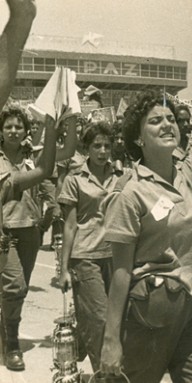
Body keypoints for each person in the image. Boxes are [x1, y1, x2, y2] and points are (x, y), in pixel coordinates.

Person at [100, 53, 192, 382]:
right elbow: (120, 271)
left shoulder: (187, 171)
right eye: (155, 121)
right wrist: (110, 340)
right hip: (151, 310)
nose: (167, 125)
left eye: (170, 119)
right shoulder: (130, 193)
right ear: (137, 137)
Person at [0, 106, 74, 371]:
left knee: (16, 291)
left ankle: (5, 325)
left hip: (30, 231)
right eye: (8, 126)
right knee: (15, 287)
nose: (13, 131)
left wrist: (68, 121)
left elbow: (62, 157)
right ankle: (12, 343)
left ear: (26, 131)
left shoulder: (33, 157)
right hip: (4, 233)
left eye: (18, 126)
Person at [57, 122, 123, 372]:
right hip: (85, 257)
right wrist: (63, 269)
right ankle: (102, 375)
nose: (103, 151)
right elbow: (70, 226)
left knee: (114, 321)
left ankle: (80, 341)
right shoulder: (75, 180)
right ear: (87, 149)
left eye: (107, 145)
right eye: (97, 146)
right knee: (100, 323)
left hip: (116, 257)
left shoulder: (121, 177)